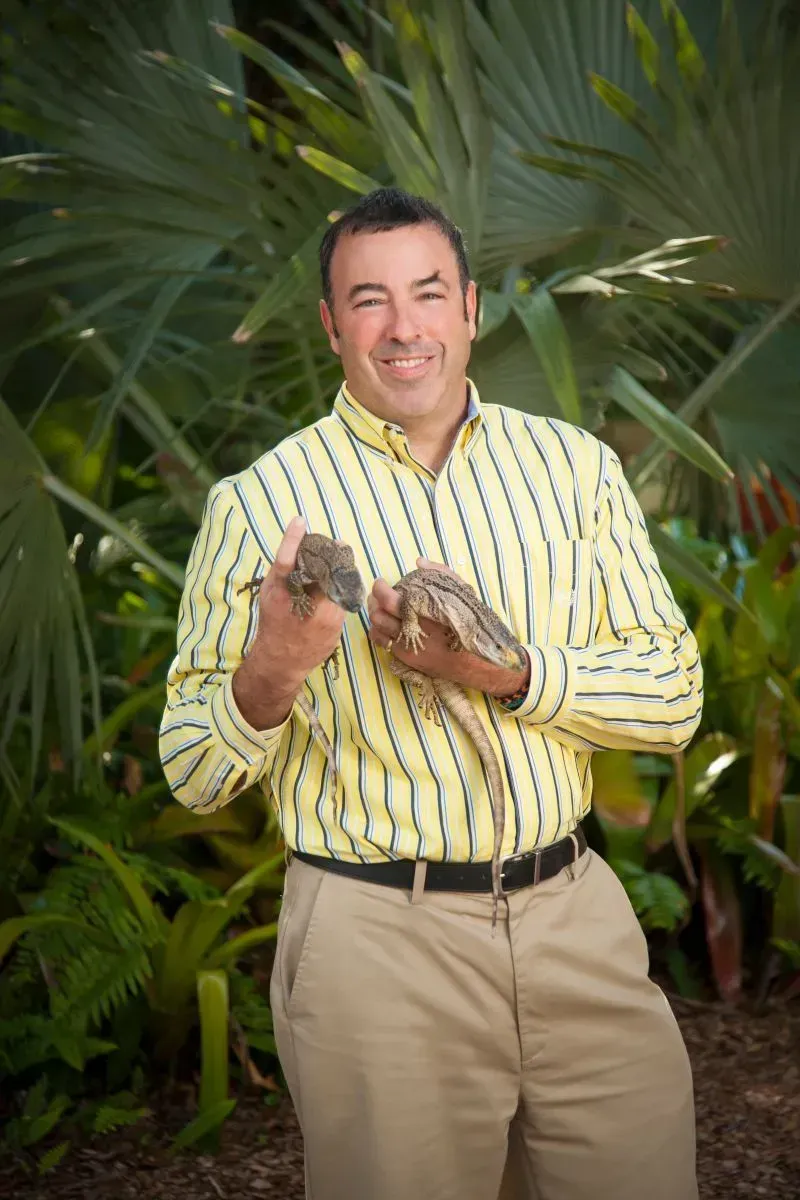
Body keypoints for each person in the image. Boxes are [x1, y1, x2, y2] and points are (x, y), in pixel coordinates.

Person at [159, 187, 703, 1200]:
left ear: (471, 307)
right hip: (378, 946)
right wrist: (277, 663)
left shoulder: (575, 470)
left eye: (427, 292)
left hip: (574, 920)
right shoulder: (260, 506)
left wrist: (501, 673)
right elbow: (193, 770)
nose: (404, 327)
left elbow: (672, 698)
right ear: (331, 325)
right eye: (369, 300)